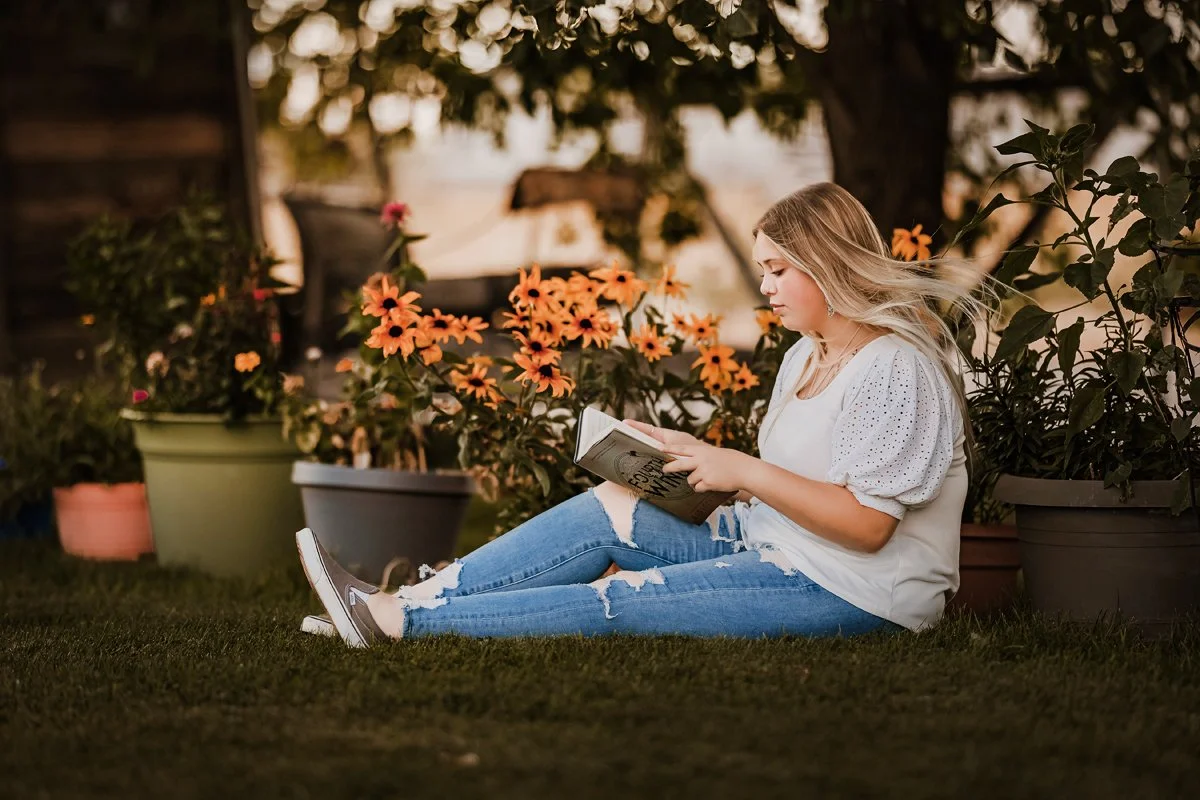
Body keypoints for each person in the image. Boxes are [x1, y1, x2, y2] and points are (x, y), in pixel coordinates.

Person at [296, 181, 997, 648]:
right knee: (612, 504)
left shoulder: (895, 366)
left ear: (829, 263)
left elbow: (869, 527)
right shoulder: (806, 356)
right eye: (762, 269)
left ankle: (399, 619)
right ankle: (414, 595)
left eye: (779, 269)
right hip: (774, 547)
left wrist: (743, 471)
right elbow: (795, 483)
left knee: (624, 599)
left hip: (858, 592)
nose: (764, 287)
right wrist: (697, 456)